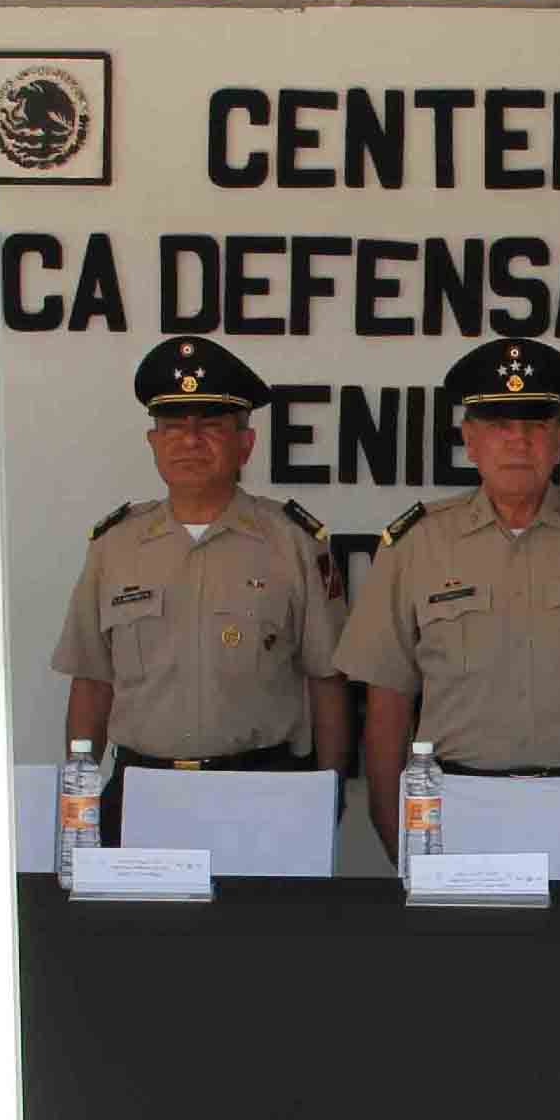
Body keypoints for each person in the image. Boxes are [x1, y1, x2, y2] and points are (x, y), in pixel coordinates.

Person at [336, 338, 560, 878]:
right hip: (458, 804)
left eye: (536, 424)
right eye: (500, 425)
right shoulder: (416, 546)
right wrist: (392, 822)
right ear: (470, 441)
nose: (519, 440)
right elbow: (387, 700)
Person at [52, 336, 349, 843]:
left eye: (210, 425)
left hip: (264, 789)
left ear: (245, 444)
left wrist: (328, 794)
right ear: (153, 442)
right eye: (173, 426)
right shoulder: (114, 547)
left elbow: (328, 682)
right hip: (142, 791)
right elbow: (91, 682)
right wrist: (78, 795)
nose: (189, 440)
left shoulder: (294, 543)